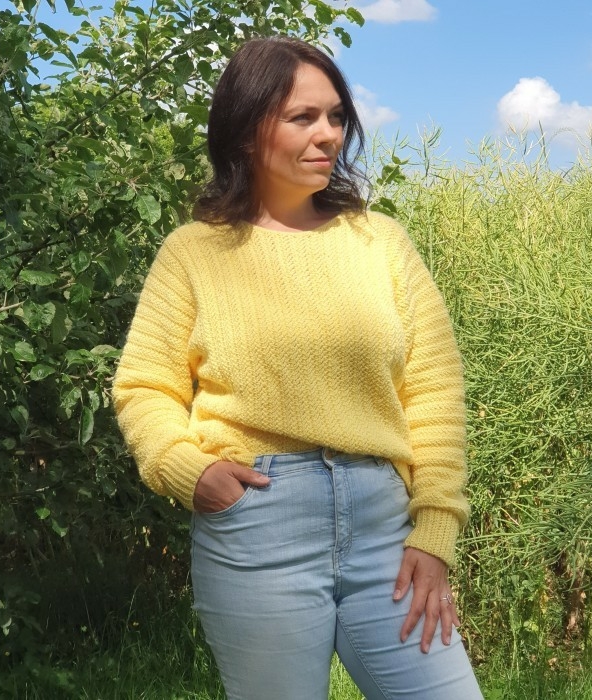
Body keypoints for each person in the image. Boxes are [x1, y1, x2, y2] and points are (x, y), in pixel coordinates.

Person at [112, 35, 483, 700]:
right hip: (257, 524)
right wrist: (188, 471)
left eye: (336, 116)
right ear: (246, 128)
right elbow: (145, 387)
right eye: (303, 117)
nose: (329, 135)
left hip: (386, 529)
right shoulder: (193, 253)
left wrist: (435, 530)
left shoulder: (381, 243)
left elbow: (432, 391)